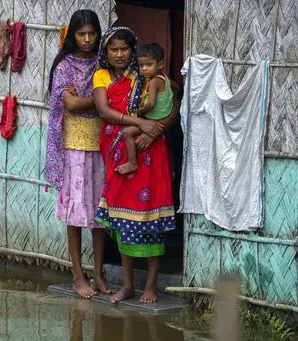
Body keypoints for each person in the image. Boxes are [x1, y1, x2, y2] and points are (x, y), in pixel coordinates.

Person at [93, 27, 179, 304]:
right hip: (121, 154)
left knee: (151, 218)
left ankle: (151, 285)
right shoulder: (103, 77)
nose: (119, 54)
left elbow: (174, 104)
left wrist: (155, 130)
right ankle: (128, 285)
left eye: (125, 49)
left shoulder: (149, 75)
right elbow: (104, 110)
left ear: (134, 50)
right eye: (113, 49)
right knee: (122, 218)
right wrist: (142, 125)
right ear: (105, 52)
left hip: (152, 153)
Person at [45, 9, 112, 299]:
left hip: (102, 145)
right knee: (75, 213)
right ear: (72, 35)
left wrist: (85, 101)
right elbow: (69, 106)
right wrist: (97, 102)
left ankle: (97, 274)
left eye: (92, 33)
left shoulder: (105, 64)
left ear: (99, 35)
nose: (86, 39)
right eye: (81, 34)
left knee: (100, 212)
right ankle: (77, 275)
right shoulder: (63, 67)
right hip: (74, 146)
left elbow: (109, 99)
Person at [116, 43, 174, 176]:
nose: (144, 69)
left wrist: (140, 111)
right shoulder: (164, 79)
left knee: (127, 133)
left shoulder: (153, 82)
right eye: (141, 65)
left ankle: (132, 163)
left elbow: (151, 103)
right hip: (162, 118)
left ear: (160, 65)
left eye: (148, 65)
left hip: (154, 119)